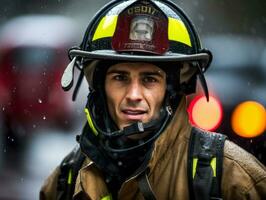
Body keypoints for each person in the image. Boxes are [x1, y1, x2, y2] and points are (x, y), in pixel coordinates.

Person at [40, 0, 266, 199]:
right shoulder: (66, 178)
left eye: (149, 79)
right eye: (120, 77)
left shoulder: (235, 179)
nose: (134, 95)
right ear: (100, 87)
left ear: (172, 90)